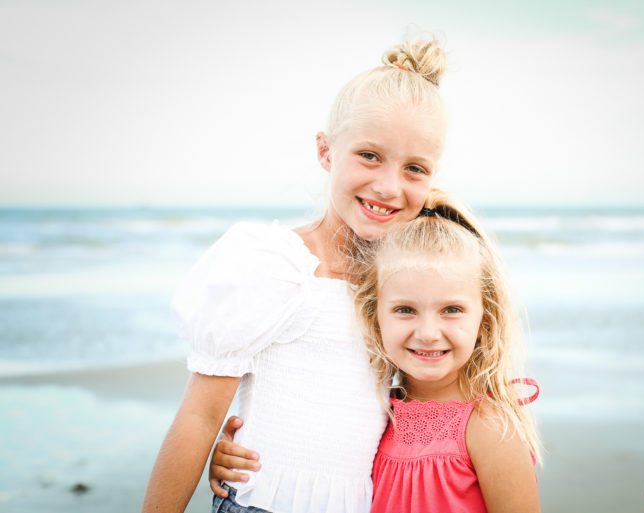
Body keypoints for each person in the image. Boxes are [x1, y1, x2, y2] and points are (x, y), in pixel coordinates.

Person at [142, 34, 450, 513]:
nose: (388, 186)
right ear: (326, 151)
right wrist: (214, 453)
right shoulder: (279, 266)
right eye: (369, 155)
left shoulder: (412, 284)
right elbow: (201, 418)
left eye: (415, 168)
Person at [212, 192, 542, 512]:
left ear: (484, 321)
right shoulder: (379, 414)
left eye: (452, 310)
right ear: (375, 318)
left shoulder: (489, 428)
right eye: (405, 310)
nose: (428, 333)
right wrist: (235, 456)